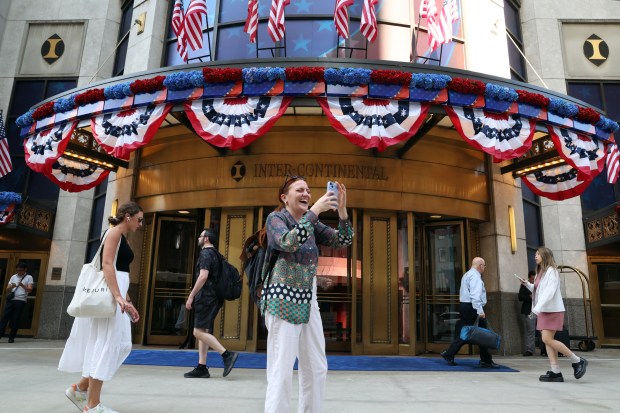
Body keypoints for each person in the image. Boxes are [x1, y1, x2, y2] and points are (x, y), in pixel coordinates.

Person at [262, 176, 353, 413]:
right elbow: (287, 242)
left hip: (308, 300)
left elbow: (344, 239)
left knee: (316, 367)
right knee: (281, 370)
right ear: (285, 197)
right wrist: (314, 212)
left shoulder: (310, 222)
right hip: (282, 299)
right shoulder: (276, 218)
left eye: (309, 191)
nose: (306, 194)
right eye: (300, 190)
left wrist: (342, 211)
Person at [58, 201, 143, 413]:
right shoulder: (113, 233)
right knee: (106, 346)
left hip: (118, 295)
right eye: (139, 219)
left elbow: (120, 271)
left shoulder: (122, 237)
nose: (141, 224)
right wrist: (118, 297)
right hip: (110, 297)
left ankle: (81, 388)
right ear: (128, 216)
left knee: (118, 344)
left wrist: (128, 301)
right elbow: (107, 265)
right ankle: (92, 405)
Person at [520, 247, 587, 382]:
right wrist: (528, 284)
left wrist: (536, 309)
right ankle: (556, 371)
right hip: (545, 310)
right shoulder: (541, 272)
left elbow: (549, 292)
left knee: (546, 339)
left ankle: (577, 360)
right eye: (536, 254)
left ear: (545, 256)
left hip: (552, 310)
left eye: (538, 254)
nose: (536, 256)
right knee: (548, 342)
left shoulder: (552, 271)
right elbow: (539, 290)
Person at [184, 228, 239, 378]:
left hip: (206, 297)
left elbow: (203, 276)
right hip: (215, 297)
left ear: (206, 238)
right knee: (203, 332)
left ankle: (227, 355)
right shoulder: (217, 254)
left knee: (197, 332)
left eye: (200, 236)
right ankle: (202, 367)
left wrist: (191, 295)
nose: (198, 239)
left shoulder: (206, 253)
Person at [440, 257, 500, 368]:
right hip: (473, 307)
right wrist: (480, 311)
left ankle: (484, 359)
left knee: (473, 332)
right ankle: (450, 353)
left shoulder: (467, 275)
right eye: (484, 266)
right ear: (480, 266)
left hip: (466, 306)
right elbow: (475, 296)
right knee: (480, 334)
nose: (485, 268)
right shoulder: (475, 276)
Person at [0, 262, 34, 343]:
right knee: (4, 318)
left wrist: (22, 285)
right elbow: (7, 290)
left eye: (21, 270)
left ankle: (11, 337)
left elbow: (30, 289)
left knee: (15, 319)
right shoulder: (13, 276)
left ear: (25, 270)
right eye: (18, 270)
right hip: (11, 300)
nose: (19, 272)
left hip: (20, 300)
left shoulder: (29, 277)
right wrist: (12, 286)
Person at [518, 270, 536, 356]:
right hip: (530, 310)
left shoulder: (539, 284)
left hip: (540, 310)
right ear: (529, 278)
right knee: (531, 330)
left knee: (543, 330)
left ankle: (545, 349)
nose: (533, 281)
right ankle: (530, 349)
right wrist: (529, 297)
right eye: (532, 280)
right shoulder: (524, 285)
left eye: (534, 279)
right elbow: (520, 297)